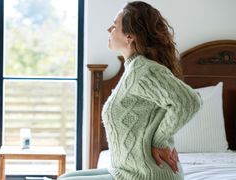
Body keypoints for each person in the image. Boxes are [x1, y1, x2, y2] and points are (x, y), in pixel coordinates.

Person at [58, 1, 202, 180]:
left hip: (148, 174)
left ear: (129, 36)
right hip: (126, 171)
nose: (109, 29)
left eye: (115, 26)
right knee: (66, 177)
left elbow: (189, 101)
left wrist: (159, 140)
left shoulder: (144, 69)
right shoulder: (135, 69)